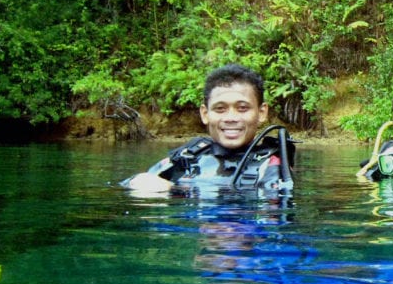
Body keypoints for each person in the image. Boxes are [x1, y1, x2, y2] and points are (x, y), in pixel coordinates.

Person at [121, 64, 294, 193]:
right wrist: (137, 181)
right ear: (205, 113)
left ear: (262, 112)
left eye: (242, 108)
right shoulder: (187, 157)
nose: (231, 118)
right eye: (220, 109)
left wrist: (175, 192)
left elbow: (277, 212)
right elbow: (137, 181)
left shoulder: (272, 165)